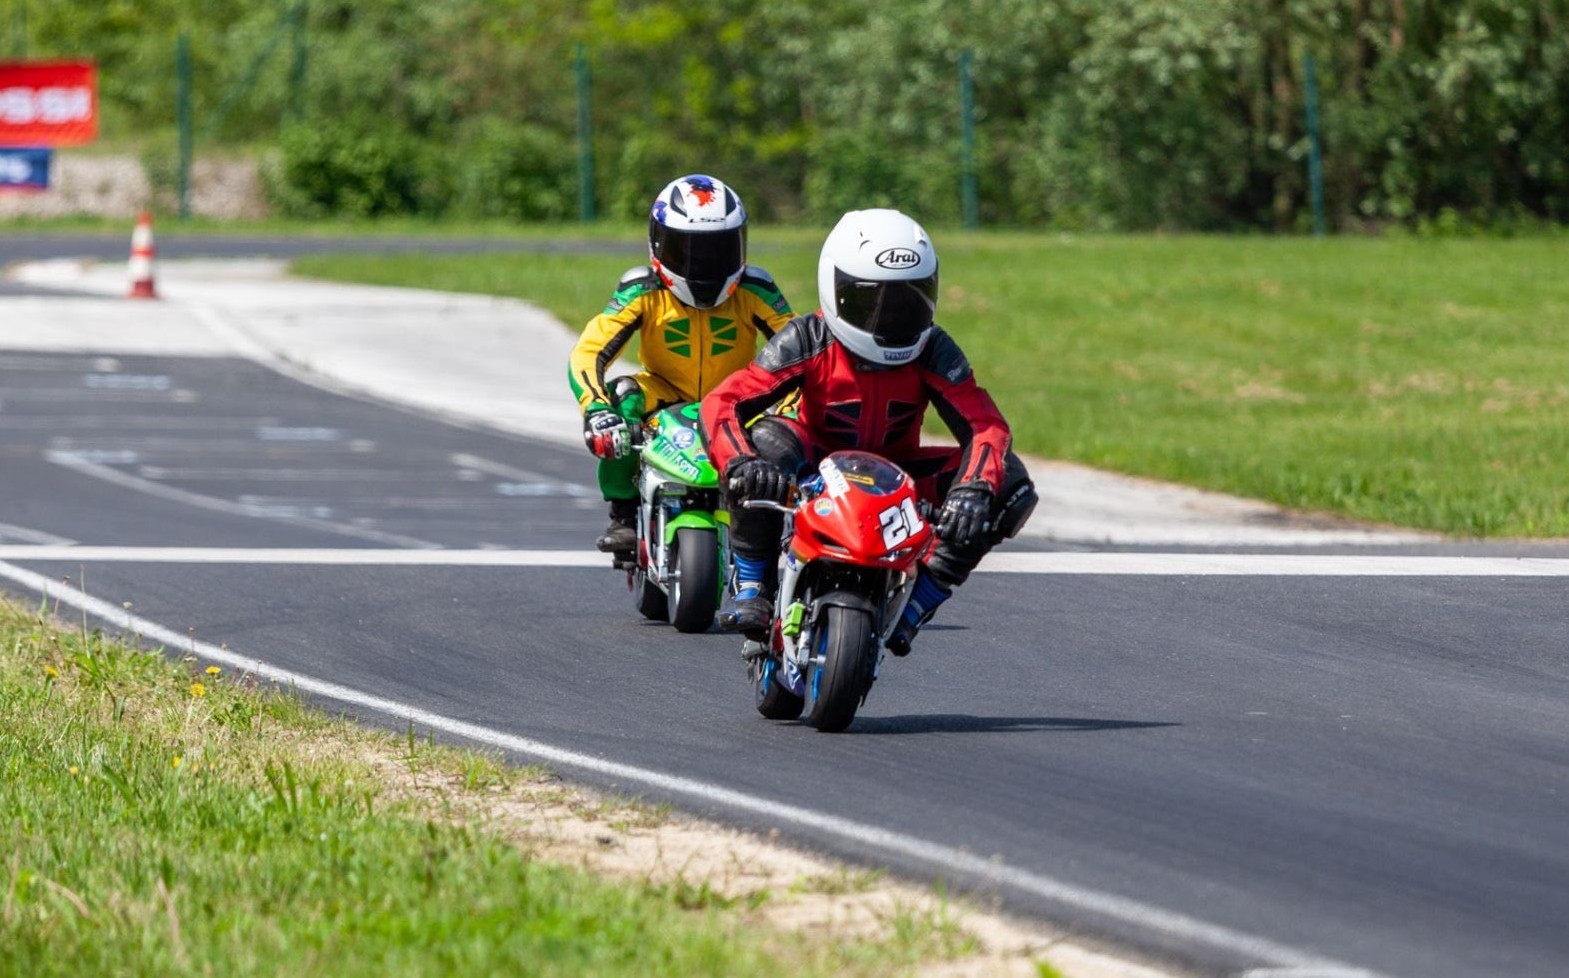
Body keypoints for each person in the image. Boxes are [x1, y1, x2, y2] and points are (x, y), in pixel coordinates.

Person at [700, 208, 1038, 654]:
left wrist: (973, 490)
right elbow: (723, 402)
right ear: (835, 289)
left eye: (906, 300)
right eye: (870, 300)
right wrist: (742, 462)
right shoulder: (808, 337)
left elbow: (985, 425)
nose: (888, 317)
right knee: (763, 440)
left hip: (898, 473)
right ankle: (752, 585)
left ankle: (919, 602)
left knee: (1010, 485)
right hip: (813, 463)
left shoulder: (933, 347)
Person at [568, 174, 794, 555]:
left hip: (739, 397)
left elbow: (802, 352)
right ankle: (622, 513)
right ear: (657, 244)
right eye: (685, 250)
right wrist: (595, 408)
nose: (701, 264)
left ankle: (781, 526)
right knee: (623, 396)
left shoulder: (757, 289)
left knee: (783, 436)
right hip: (663, 389)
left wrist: (792, 410)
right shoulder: (641, 289)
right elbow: (588, 350)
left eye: (716, 250)